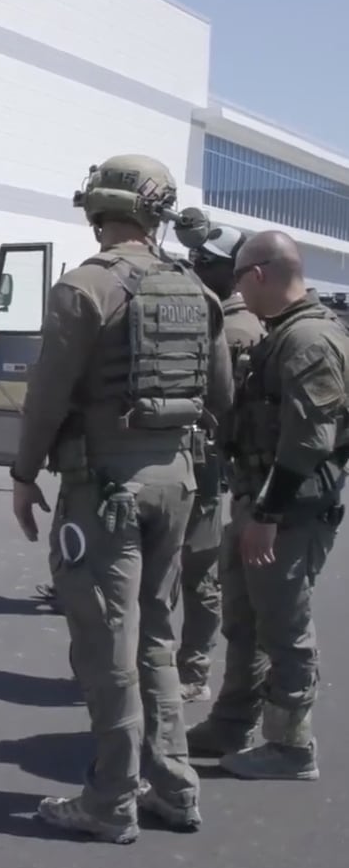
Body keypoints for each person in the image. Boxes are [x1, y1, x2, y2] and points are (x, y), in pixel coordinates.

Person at [11, 155, 233, 843]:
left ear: (96, 209)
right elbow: (223, 400)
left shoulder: (84, 288)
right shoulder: (200, 293)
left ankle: (111, 798)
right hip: (177, 481)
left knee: (108, 641)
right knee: (156, 637)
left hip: (105, 487)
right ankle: (175, 786)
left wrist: (23, 476)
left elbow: (46, 397)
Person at [187, 231, 349, 782]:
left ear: (257, 274)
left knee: (284, 626)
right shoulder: (283, 333)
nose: (235, 289)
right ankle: (233, 721)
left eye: (237, 277)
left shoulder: (308, 340)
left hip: (287, 511)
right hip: (259, 498)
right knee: (245, 620)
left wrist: (268, 515)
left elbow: (309, 441)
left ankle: (290, 746)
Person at [176, 227, 265, 701]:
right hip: (190, 458)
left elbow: (225, 405)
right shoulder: (208, 316)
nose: (196, 266)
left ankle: (192, 668)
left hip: (208, 462)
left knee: (198, 567)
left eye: (207, 261)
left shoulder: (237, 329)